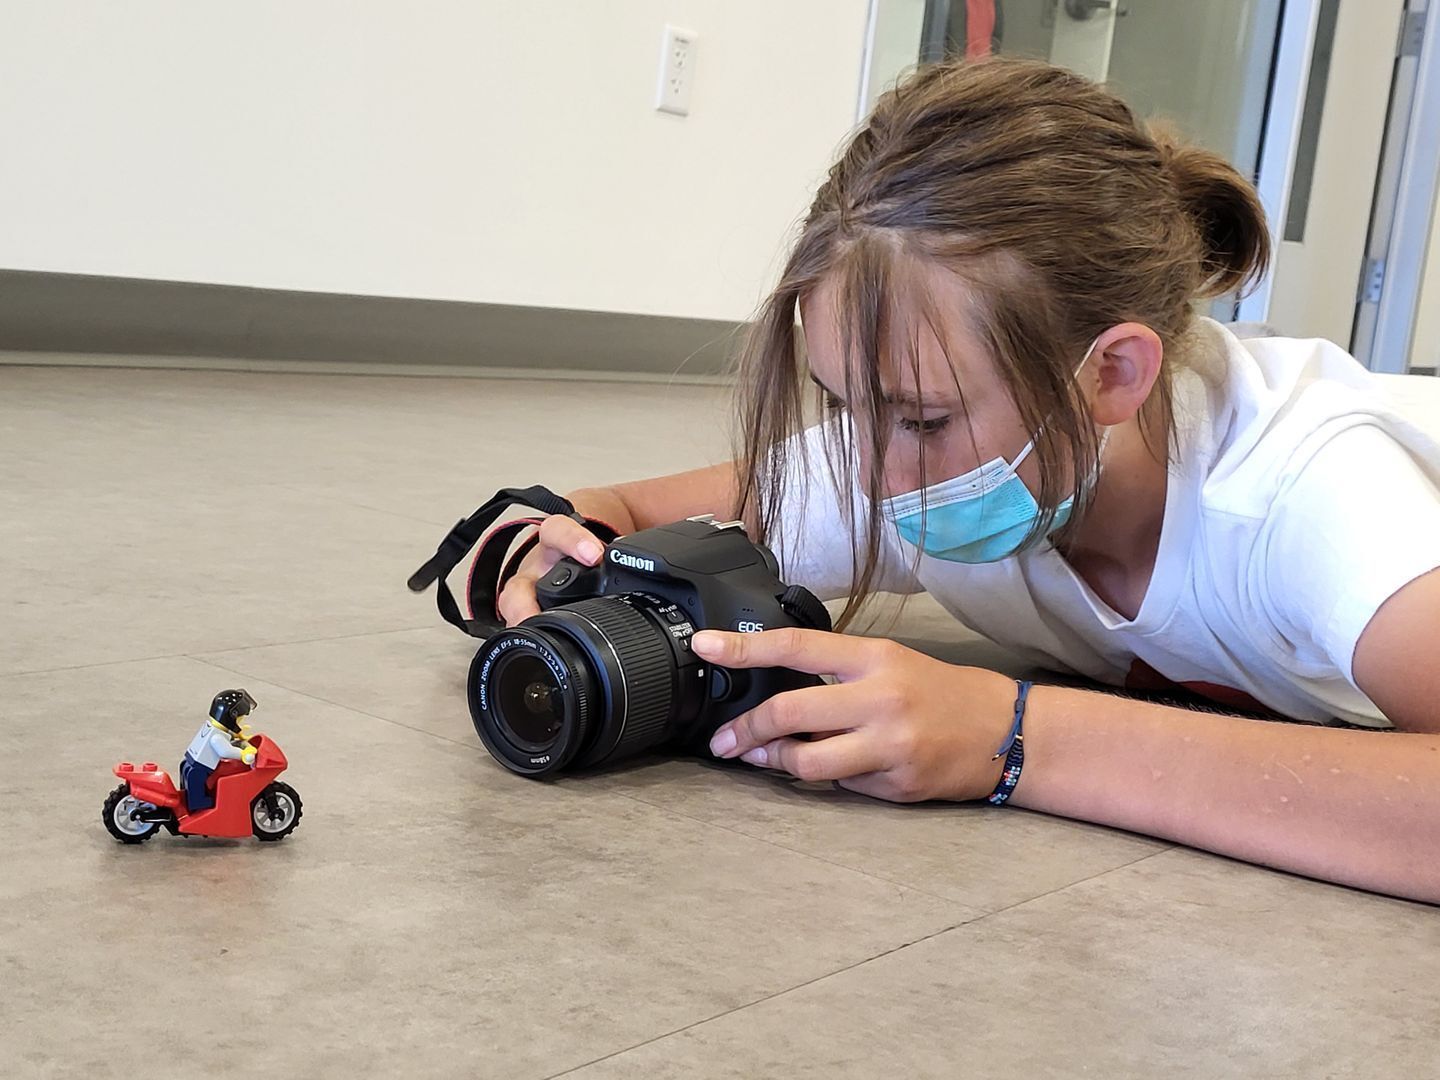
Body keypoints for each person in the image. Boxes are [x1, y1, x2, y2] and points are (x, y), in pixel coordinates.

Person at [499, 59, 1440, 903]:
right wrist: (567, 546)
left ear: (1112, 375)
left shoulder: (1316, 494)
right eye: (841, 404)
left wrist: (1014, 738)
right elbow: (617, 515)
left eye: (919, 418)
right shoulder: (915, 461)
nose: (865, 470)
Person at [181, 689, 258, 812]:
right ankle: (199, 804)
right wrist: (243, 754)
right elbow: (225, 751)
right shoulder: (217, 737)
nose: (240, 722)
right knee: (196, 784)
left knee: (188, 780)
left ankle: (192, 800)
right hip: (200, 767)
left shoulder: (212, 727)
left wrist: (237, 736)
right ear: (231, 717)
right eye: (239, 719)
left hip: (190, 760)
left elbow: (226, 739)